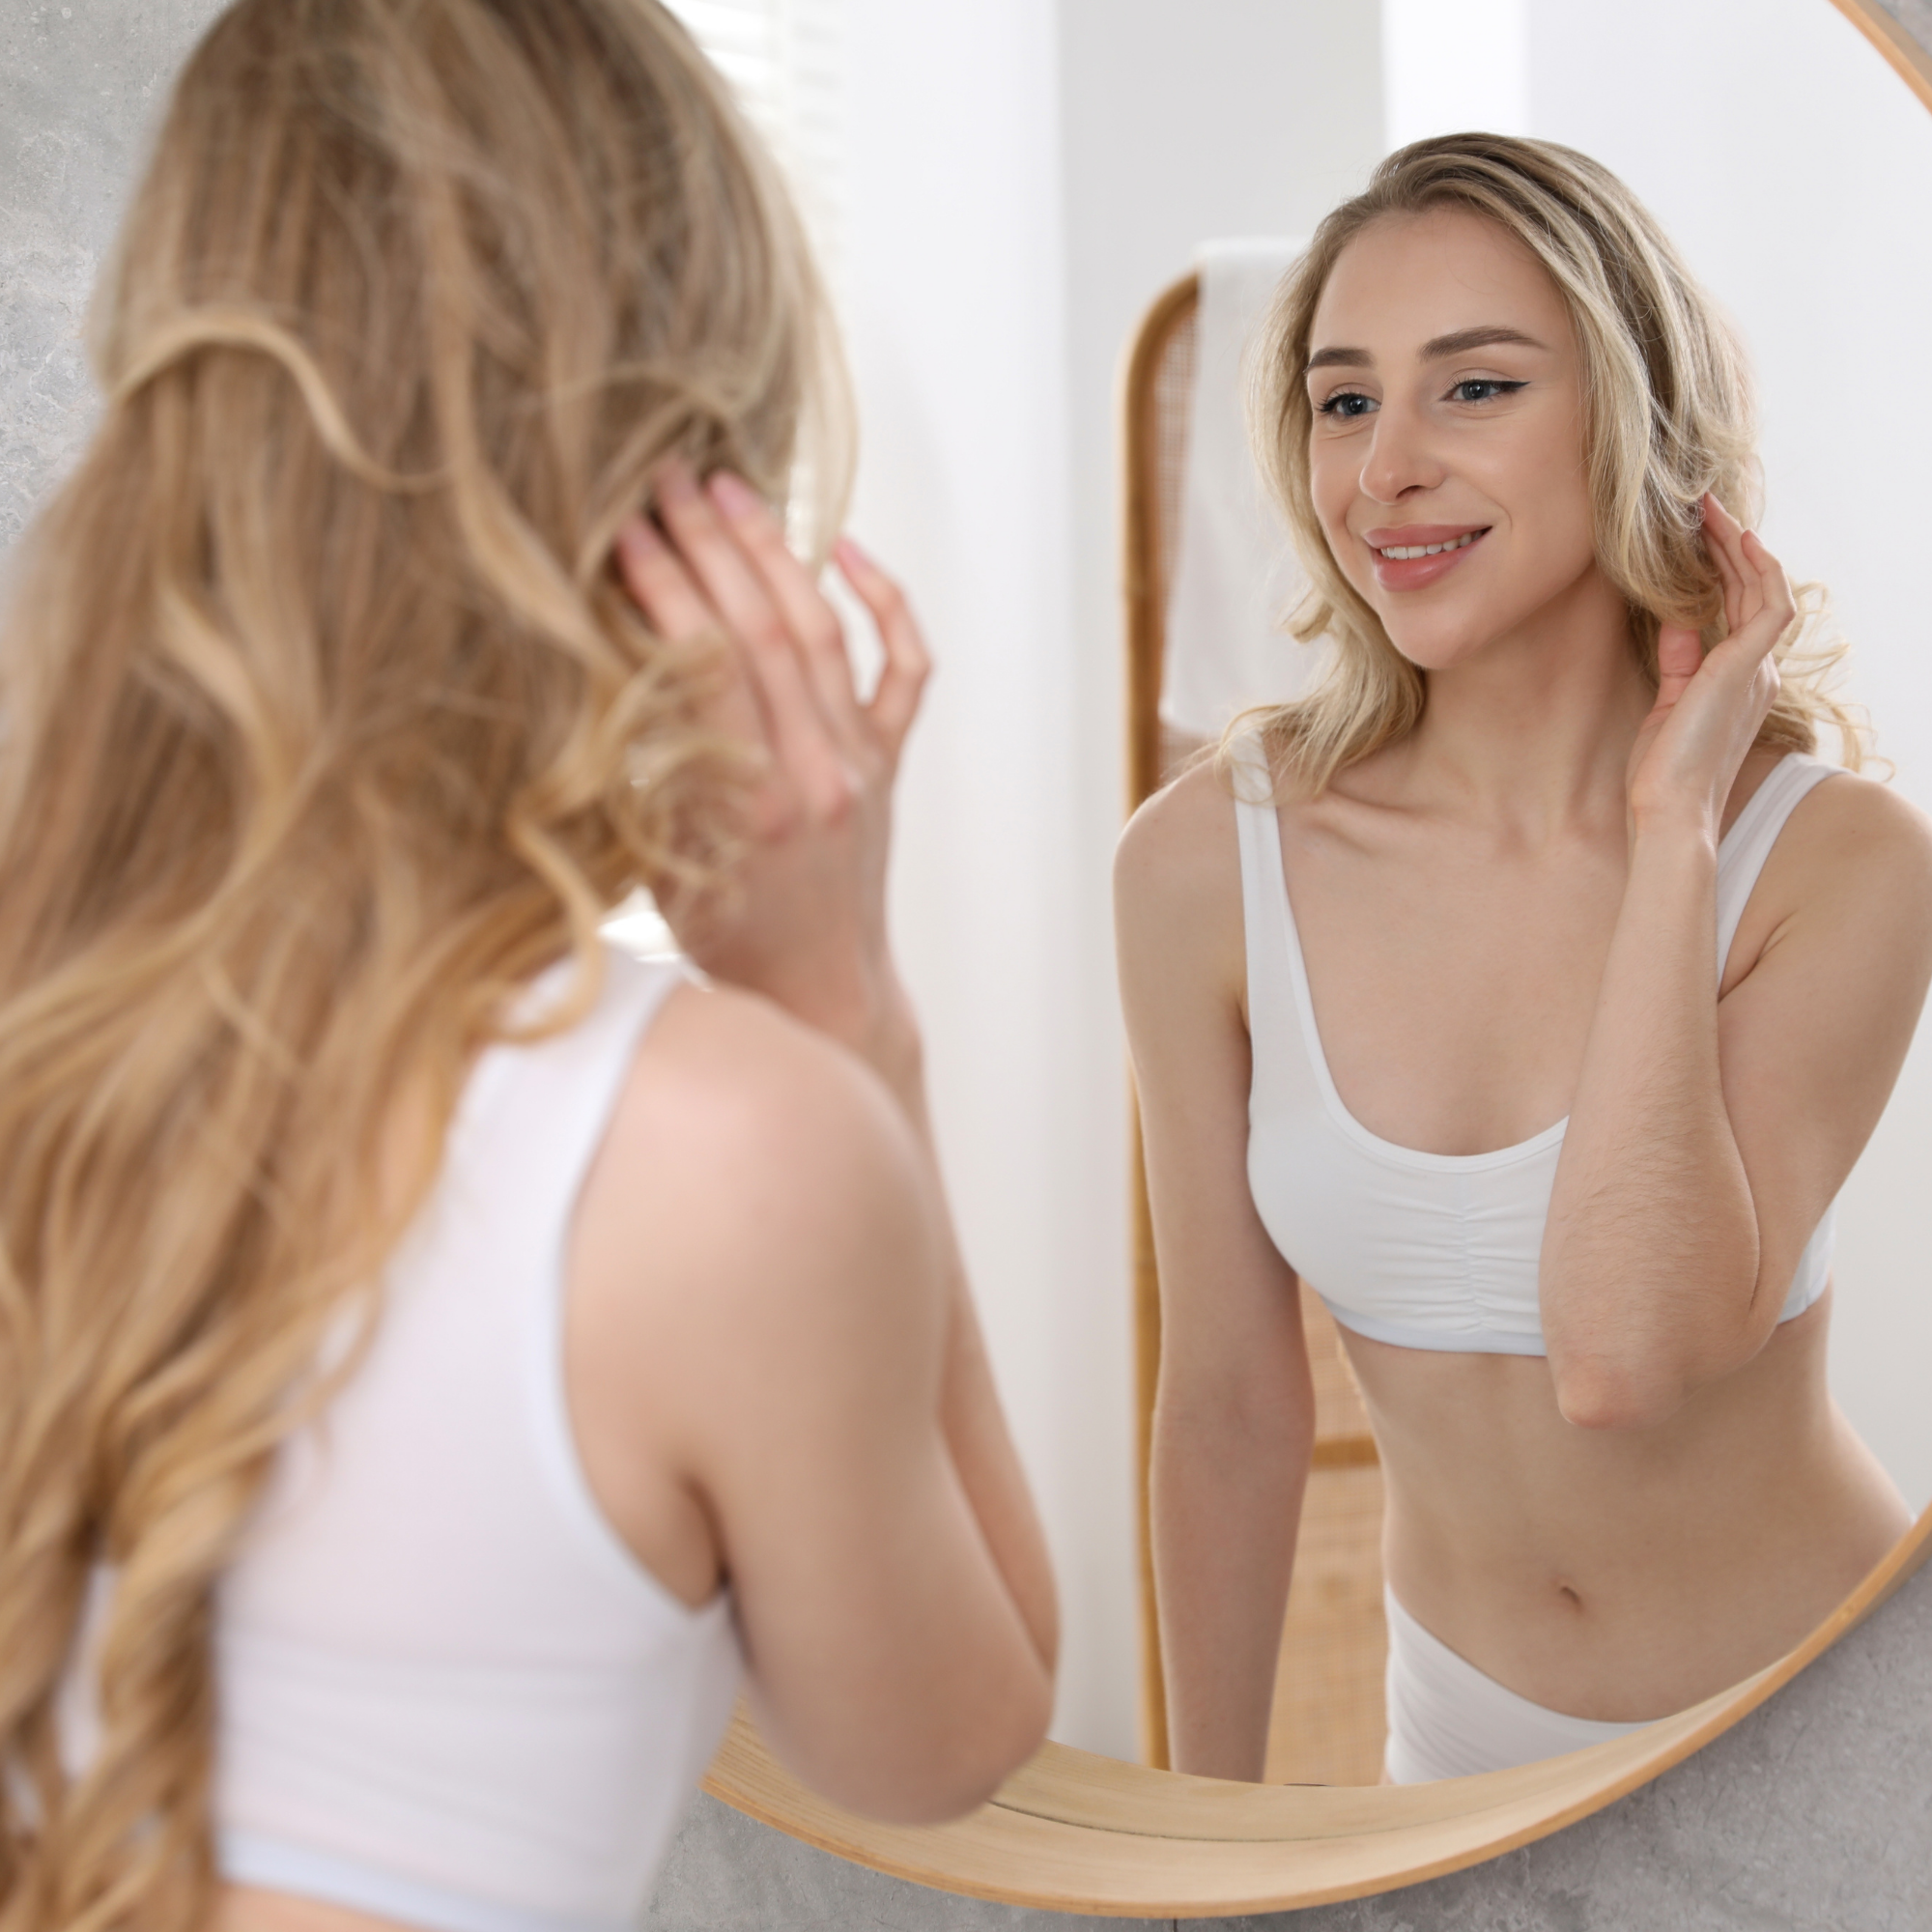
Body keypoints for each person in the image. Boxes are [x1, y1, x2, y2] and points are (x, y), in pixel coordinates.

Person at [0, 3, 1058, 1929]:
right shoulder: (725, 1156)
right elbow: (952, 1735)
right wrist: (839, 1014)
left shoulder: (45, 1017)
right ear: (690, 511)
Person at [1115, 133, 1930, 1786]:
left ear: (1629, 421)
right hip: (1459, 1755)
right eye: (1346, 403)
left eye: (1472, 390)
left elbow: (1631, 1357)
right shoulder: (1205, 861)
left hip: (1829, 1750)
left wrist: (1670, 829)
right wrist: (1209, 1836)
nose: (1386, 468)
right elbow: (1224, 1398)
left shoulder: (1838, 864)